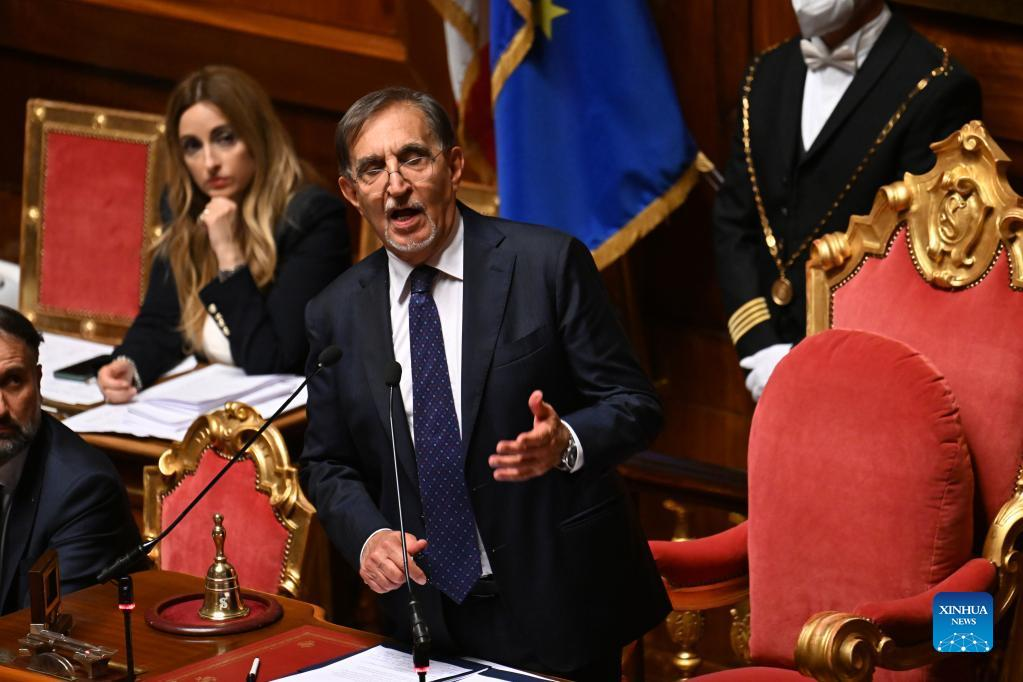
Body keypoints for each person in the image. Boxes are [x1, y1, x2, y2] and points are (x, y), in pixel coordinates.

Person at [299, 88, 668, 680]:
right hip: (426, 614)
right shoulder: (334, 313)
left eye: (413, 158)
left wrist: (566, 441)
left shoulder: (546, 264)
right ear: (351, 191)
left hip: (560, 603)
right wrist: (369, 537)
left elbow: (635, 404)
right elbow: (326, 462)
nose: (396, 185)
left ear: (453, 166)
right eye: (373, 169)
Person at [713, 0, 981, 400]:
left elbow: (918, 261)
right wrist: (760, 348)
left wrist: (814, 363)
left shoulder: (937, 87)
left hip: (861, 376)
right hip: (761, 366)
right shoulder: (765, 73)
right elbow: (733, 220)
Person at [98, 65, 350, 402]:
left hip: (280, 415)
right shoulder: (184, 208)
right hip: (199, 400)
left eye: (225, 138)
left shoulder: (312, 219)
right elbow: (161, 321)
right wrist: (129, 364)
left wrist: (229, 255)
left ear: (258, 137)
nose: (209, 163)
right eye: (192, 146)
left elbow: (273, 358)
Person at [0, 306, 140, 614]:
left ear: (37, 381)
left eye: (13, 381)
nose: (1, 409)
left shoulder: (84, 491)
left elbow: (47, 631)